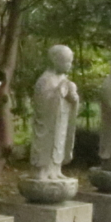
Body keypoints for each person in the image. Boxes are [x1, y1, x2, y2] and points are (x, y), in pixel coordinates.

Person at [30, 44, 79, 180]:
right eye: (66, 62)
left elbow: (69, 100)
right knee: (47, 143)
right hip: (48, 123)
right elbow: (42, 103)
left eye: (70, 62)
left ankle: (55, 170)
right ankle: (42, 170)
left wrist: (73, 98)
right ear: (54, 60)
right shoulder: (45, 79)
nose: (69, 65)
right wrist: (60, 91)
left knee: (59, 143)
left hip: (61, 120)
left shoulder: (64, 80)